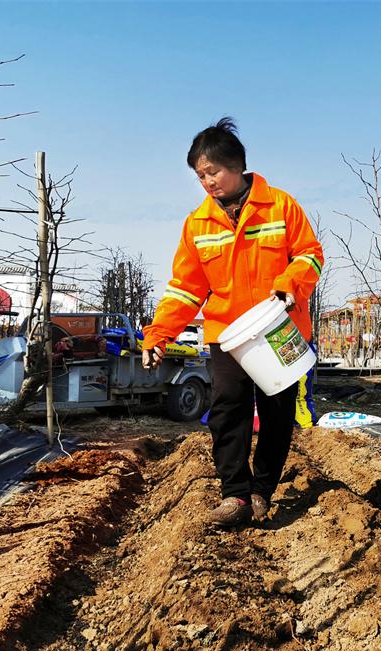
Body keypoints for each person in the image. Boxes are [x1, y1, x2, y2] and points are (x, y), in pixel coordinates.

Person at [142, 117, 324, 527]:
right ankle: (236, 494)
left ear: (238, 165)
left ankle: (263, 489)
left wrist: (288, 284)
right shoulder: (198, 224)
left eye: (213, 172)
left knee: (278, 412)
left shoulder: (280, 206)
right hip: (229, 333)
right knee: (227, 409)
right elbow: (185, 288)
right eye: (200, 175)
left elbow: (310, 255)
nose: (207, 182)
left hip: (278, 328)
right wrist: (159, 334)